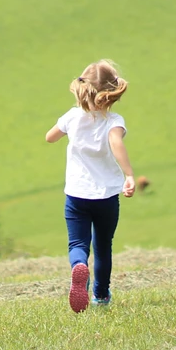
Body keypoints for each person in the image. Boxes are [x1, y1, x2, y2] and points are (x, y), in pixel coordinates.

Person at [45, 60, 136, 313]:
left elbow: (49, 137)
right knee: (103, 246)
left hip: (76, 195)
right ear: (111, 93)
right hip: (106, 196)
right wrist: (128, 175)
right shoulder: (114, 121)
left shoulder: (72, 117)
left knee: (78, 245)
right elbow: (116, 144)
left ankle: (77, 268)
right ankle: (101, 295)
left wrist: (68, 123)